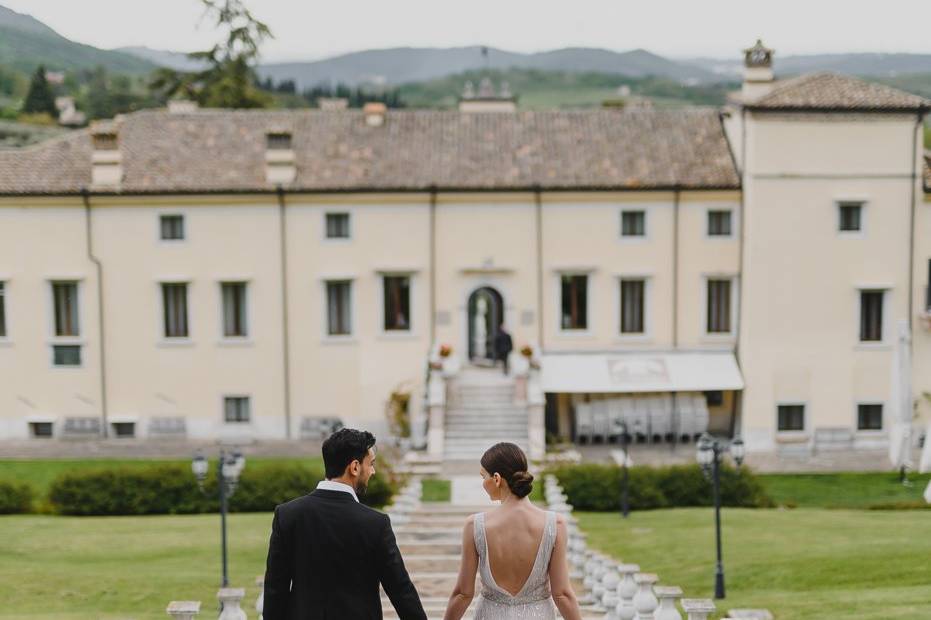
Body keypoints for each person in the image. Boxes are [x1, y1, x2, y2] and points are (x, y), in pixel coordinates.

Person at [263, 428, 427, 620]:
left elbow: (275, 590)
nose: (372, 471)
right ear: (355, 467)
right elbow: (401, 590)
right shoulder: (375, 524)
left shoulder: (287, 515)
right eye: (371, 464)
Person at [442, 442, 583, 620]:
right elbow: (562, 594)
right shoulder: (556, 524)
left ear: (496, 478)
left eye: (482, 477)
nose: (482, 484)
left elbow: (463, 594)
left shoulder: (474, 526)